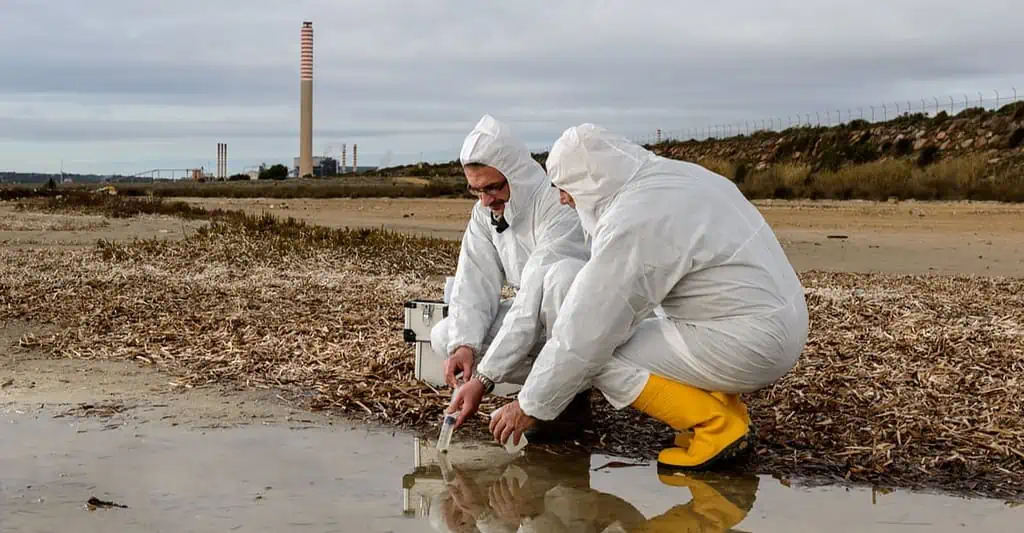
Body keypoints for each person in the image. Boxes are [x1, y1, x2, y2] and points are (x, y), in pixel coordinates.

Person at [487, 123, 809, 472]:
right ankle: (727, 410)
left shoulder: (633, 218)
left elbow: (583, 336)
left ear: (589, 181)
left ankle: (716, 427)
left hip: (751, 341)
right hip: (773, 323)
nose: (562, 198)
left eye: (564, 188)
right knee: (633, 328)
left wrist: (528, 405)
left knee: (600, 355)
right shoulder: (672, 178)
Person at [433, 114, 591, 442]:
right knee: (444, 334)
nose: (486, 200)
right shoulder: (485, 213)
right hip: (532, 323)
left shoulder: (557, 206)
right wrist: (464, 345)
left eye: (493, 187)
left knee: (561, 276)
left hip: (578, 330)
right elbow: (474, 282)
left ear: (516, 175)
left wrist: (485, 379)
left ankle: (569, 397)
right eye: (476, 190)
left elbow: (533, 299)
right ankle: (547, 388)